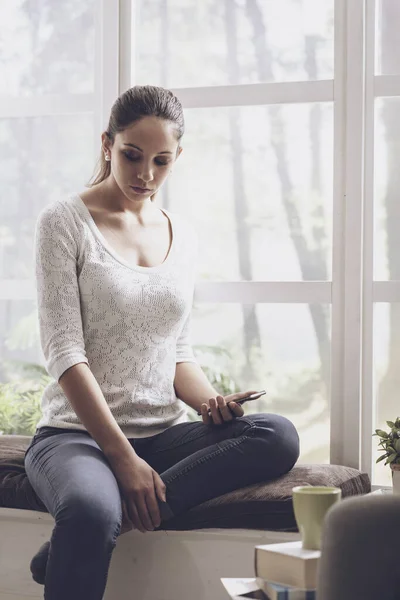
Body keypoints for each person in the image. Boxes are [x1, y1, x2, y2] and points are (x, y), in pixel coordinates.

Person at [24, 84, 300, 600]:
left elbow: (177, 350)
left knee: (276, 434)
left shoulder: (182, 234)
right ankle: (92, 527)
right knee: (89, 509)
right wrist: (123, 458)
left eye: (160, 161)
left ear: (177, 158)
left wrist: (208, 403)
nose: (144, 174)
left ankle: (80, 542)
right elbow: (65, 354)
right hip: (74, 436)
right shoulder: (63, 223)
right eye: (131, 155)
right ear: (107, 144)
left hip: (164, 435)